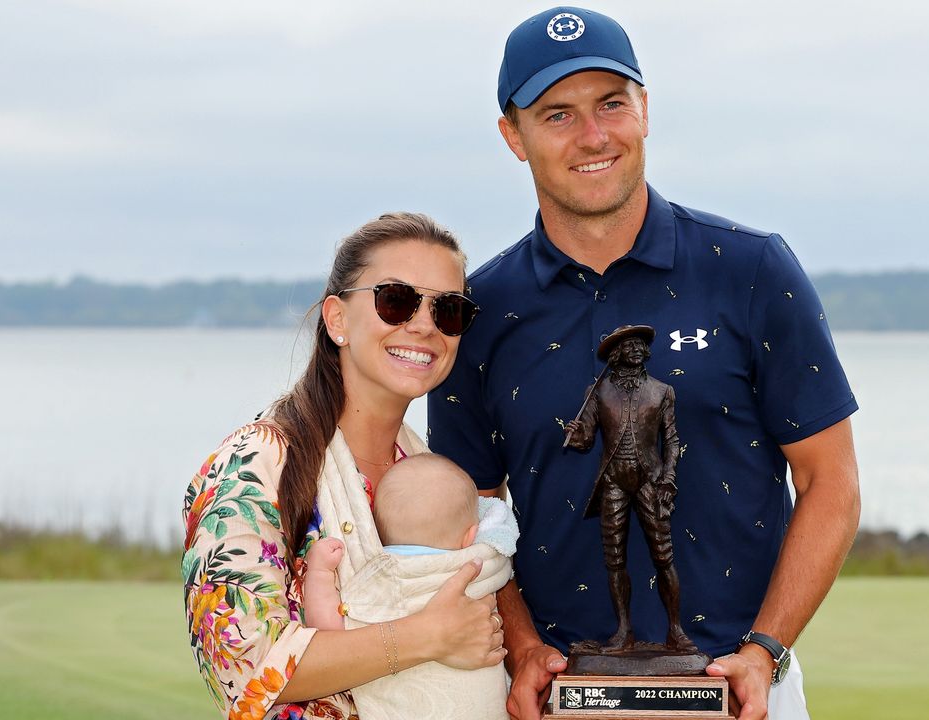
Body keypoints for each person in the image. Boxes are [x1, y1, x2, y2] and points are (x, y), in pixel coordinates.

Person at [428, 7, 861, 720]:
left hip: (744, 688)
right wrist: (523, 644)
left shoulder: (752, 270)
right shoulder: (480, 310)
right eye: (558, 114)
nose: (593, 136)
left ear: (646, 110)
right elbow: (468, 512)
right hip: (558, 693)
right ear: (514, 135)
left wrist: (765, 651)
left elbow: (831, 482)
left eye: (611, 104)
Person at [183, 213, 508, 720]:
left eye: (448, 311)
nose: (423, 325)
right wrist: (426, 637)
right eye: (396, 300)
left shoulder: (427, 472)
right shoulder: (254, 465)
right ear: (337, 319)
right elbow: (244, 669)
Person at [299, 453, 520, 720]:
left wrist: (320, 573)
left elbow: (329, 630)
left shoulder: (380, 578)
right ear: (470, 536)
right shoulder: (483, 567)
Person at [562, 325, 694, 654]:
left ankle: (676, 631)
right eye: (629, 345)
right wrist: (576, 434)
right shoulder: (598, 392)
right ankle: (624, 632)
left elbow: (673, 441)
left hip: (651, 479)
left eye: (639, 344)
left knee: (664, 556)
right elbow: (586, 440)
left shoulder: (663, 391)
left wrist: (668, 479)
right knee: (615, 559)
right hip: (613, 481)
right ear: (616, 353)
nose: (636, 349)